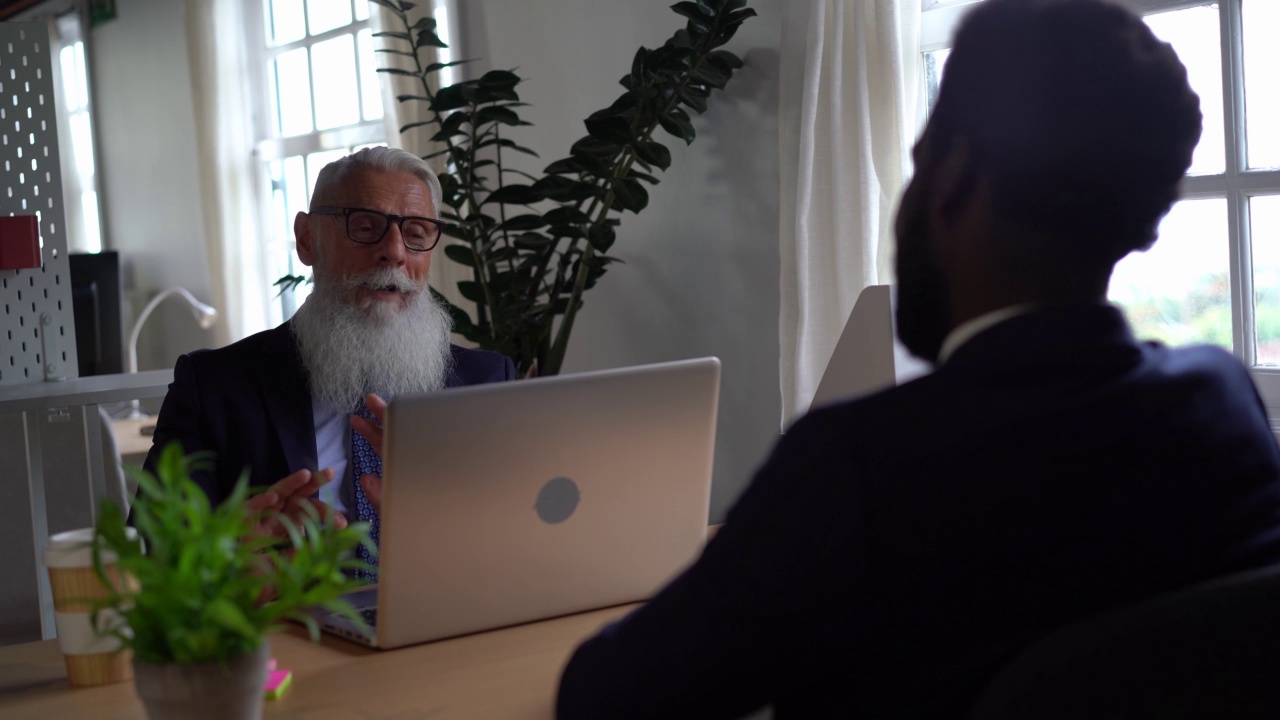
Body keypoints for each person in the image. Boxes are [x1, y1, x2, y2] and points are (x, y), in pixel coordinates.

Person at [555, 0, 1280, 717]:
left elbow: (608, 697)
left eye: (917, 161)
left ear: (954, 176)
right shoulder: (1219, 401)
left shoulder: (858, 468)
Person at [142, 147, 514, 576]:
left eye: (416, 232)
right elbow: (150, 555)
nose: (394, 251)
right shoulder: (215, 388)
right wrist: (226, 556)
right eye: (365, 226)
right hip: (288, 633)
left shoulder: (485, 383)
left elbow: (524, 546)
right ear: (306, 239)